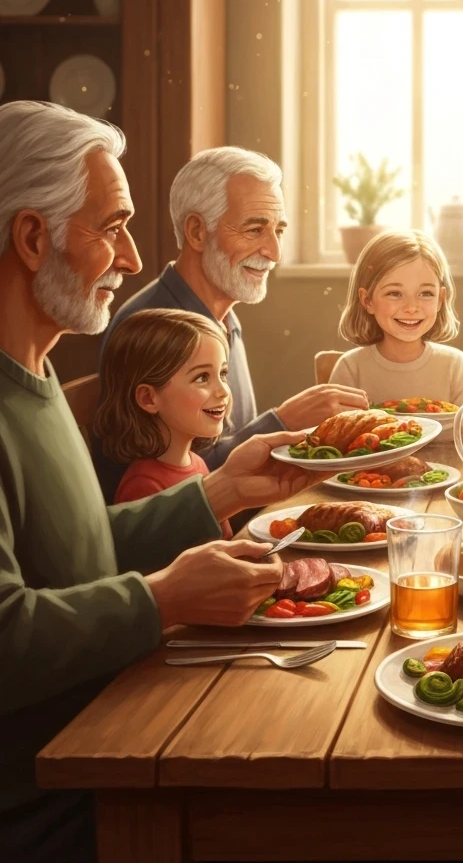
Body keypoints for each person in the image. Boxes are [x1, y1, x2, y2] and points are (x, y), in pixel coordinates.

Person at [0, 101, 323, 863]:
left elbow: (73, 547)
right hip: (55, 792)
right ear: (33, 237)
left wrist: (219, 492)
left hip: (105, 726)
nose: (132, 259)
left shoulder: (35, 376)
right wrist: (162, 597)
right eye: (111, 227)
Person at [95, 146, 367, 500]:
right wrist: (283, 420)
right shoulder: (151, 326)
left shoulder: (223, 314)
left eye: (278, 231)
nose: (274, 252)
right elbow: (176, 486)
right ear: (196, 231)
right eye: (254, 230)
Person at [94, 309, 233, 524]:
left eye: (222, 374)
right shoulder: (144, 486)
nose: (223, 391)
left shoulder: (196, 464)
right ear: (149, 398)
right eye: (202, 377)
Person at [329, 230, 463, 408]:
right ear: (367, 300)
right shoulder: (351, 369)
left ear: (440, 299)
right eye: (394, 293)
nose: (411, 308)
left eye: (425, 293)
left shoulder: (455, 366)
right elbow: (336, 432)